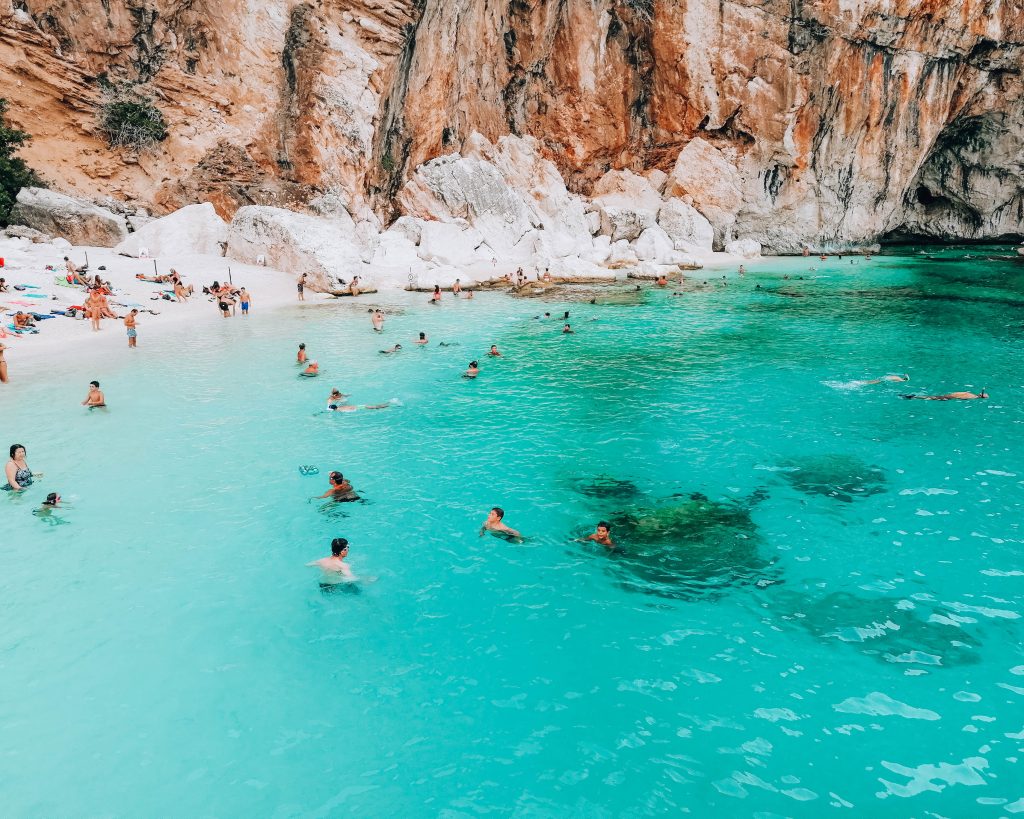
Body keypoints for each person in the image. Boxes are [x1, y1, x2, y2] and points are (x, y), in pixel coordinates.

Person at [901, 389, 988, 401]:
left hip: (949, 395)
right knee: (931, 398)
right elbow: (960, 398)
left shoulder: (969, 393)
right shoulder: (971, 397)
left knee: (932, 397)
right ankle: (914, 397)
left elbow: (958, 393)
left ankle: (914, 396)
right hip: (950, 397)